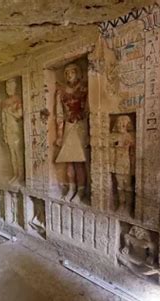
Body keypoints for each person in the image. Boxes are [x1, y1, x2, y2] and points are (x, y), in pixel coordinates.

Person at [55, 63, 88, 203]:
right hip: (68, 126)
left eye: (72, 73)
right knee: (68, 161)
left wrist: (89, 133)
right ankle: (71, 189)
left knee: (79, 162)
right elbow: (59, 113)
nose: (69, 75)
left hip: (80, 126)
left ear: (77, 73)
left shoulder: (84, 88)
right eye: (67, 73)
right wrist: (59, 135)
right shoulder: (61, 91)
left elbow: (88, 110)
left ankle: (80, 191)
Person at [109, 115, 135, 214]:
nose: (120, 126)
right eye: (119, 124)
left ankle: (128, 205)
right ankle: (121, 204)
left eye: (122, 124)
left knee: (127, 185)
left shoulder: (130, 136)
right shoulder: (113, 136)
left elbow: (133, 150)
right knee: (119, 185)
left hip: (126, 163)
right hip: (117, 163)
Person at [1, 78, 24, 184]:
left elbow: (19, 115)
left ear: (15, 87)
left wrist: (9, 111)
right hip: (9, 129)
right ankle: (15, 174)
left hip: (16, 129)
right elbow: (3, 120)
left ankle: (21, 175)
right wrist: (4, 133)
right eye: (7, 87)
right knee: (12, 154)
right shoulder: (4, 102)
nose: (8, 89)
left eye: (10, 86)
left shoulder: (18, 99)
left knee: (18, 153)